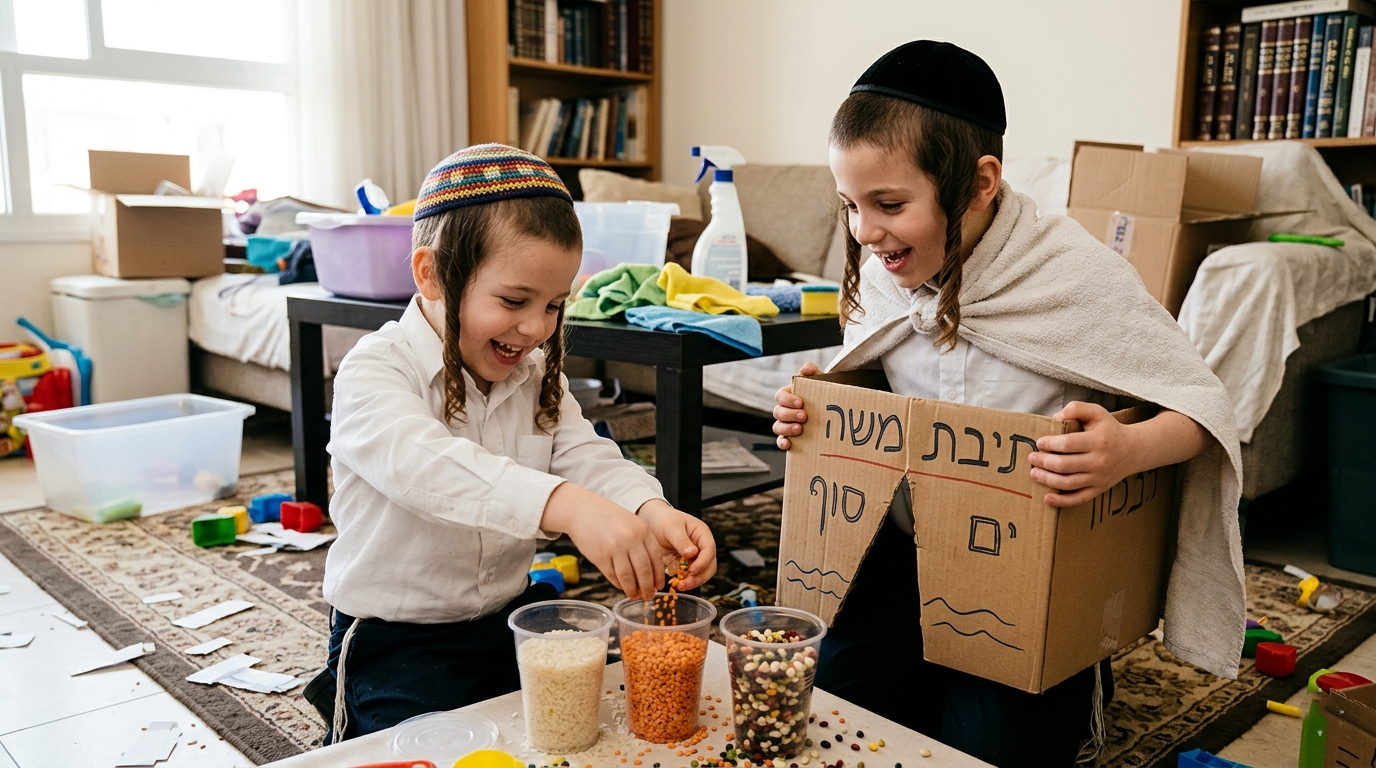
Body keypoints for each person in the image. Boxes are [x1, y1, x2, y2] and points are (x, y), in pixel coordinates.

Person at [771, 42, 1245, 767]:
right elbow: (864, 379)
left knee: (989, 750)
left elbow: (1201, 410)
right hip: (899, 557)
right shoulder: (883, 272)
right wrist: (815, 410)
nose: (866, 232)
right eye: (851, 206)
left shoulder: (1075, 276)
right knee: (835, 723)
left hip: (1032, 579)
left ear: (980, 182)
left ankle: (1083, 683)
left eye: (890, 205)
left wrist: (1126, 450)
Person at [311, 144, 717, 743]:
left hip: (509, 619)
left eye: (555, 306)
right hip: (397, 638)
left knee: (589, 728)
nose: (536, 328)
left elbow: (584, 453)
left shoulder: (530, 376)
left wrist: (647, 508)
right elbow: (430, 468)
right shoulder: (375, 370)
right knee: (434, 747)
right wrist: (570, 507)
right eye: (513, 301)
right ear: (431, 274)